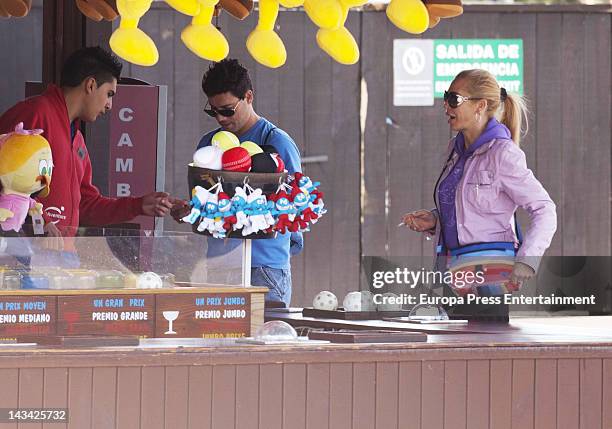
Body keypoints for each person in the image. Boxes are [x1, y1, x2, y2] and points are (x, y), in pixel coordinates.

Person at [0, 47, 174, 248]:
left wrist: (138, 205)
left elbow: (86, 205)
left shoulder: (77, 139)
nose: (110, 105)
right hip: (22, 259)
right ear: (91, 85)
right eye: (109, 94)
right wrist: (33, 228)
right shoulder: (36, 113)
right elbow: (6, 180)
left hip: (59, 259)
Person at [401, 69, 557, 293]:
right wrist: (436, 219)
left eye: (454, 99)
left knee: (485, 330)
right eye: (446, 97)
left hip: (490, 275)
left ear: (480, 106)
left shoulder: (503, 154)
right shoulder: (454, 149)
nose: (446, 105)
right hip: (453, 271)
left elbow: (545, 209)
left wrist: (527, 259)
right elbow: (471, 211)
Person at [172, 58, 302, 307]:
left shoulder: (277, 142)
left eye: (228, 110)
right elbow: (207, 201)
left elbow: (296, 209)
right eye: (213, 111)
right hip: (219, 264)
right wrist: (191, 210)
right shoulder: (208, 144)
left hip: (263, 267)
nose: (220, 118)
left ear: (249, 97)